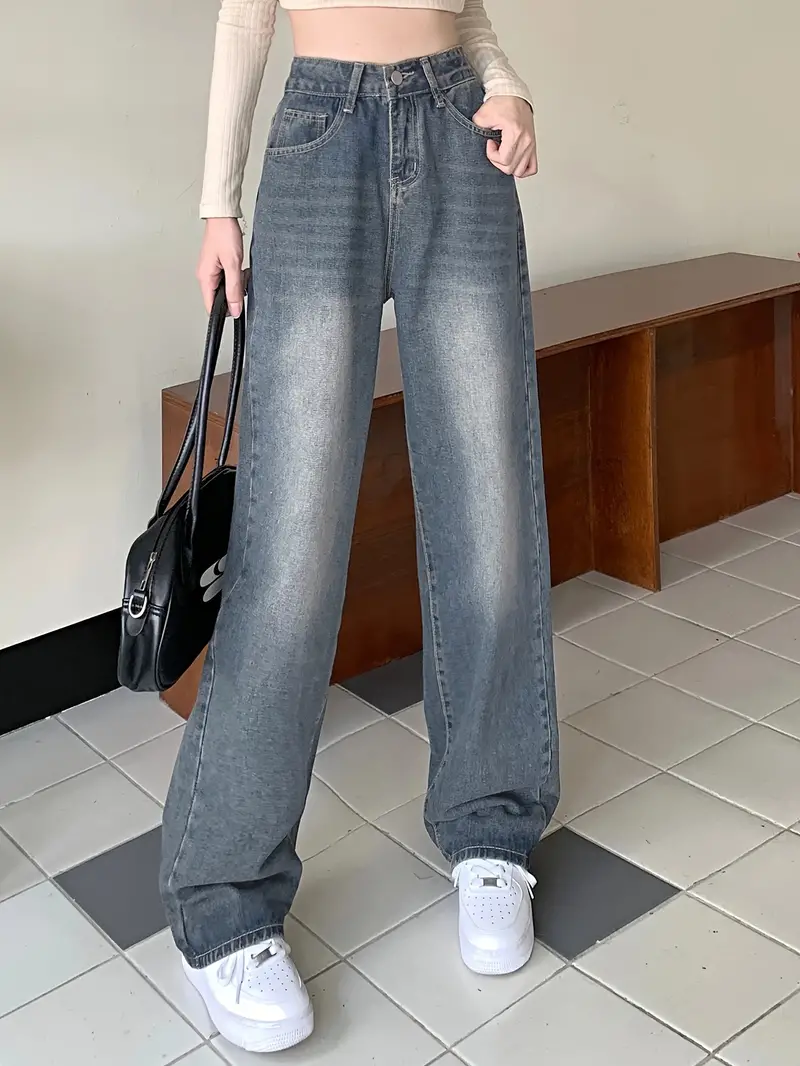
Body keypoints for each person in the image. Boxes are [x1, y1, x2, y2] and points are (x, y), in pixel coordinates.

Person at [160, 0, 559, 1054]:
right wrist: (217, 204)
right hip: (319, 137)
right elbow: (245, 20)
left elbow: (466, 17)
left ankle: (491, 824)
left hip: (457, 131)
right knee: (288, 551)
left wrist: (508, 89)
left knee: (489, 518)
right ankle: (223, 900)